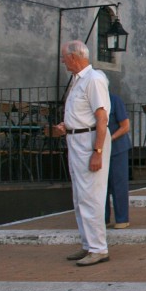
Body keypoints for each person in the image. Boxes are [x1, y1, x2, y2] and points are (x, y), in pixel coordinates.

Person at [51, 40, 112, 266]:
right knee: (80, 196)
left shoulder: (94, 79)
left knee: (91, 196)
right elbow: (82, 115)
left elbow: (101, 118)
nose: (62, 61)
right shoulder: (79, 80)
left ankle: (98, 248)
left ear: (74, 57)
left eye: (64, 57)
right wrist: (66, 126)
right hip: (77, 140)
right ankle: (88, 244)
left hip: (89, 141)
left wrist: (97, 151)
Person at [104, 92, 132, 229]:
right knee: (101, 185)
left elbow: (125, 126)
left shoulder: (114, 100)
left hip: (117, 148)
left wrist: (111, 138)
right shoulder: (93, 102)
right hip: (100, 149)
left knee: (118, 183)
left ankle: (122, 218)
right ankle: (103, 218)